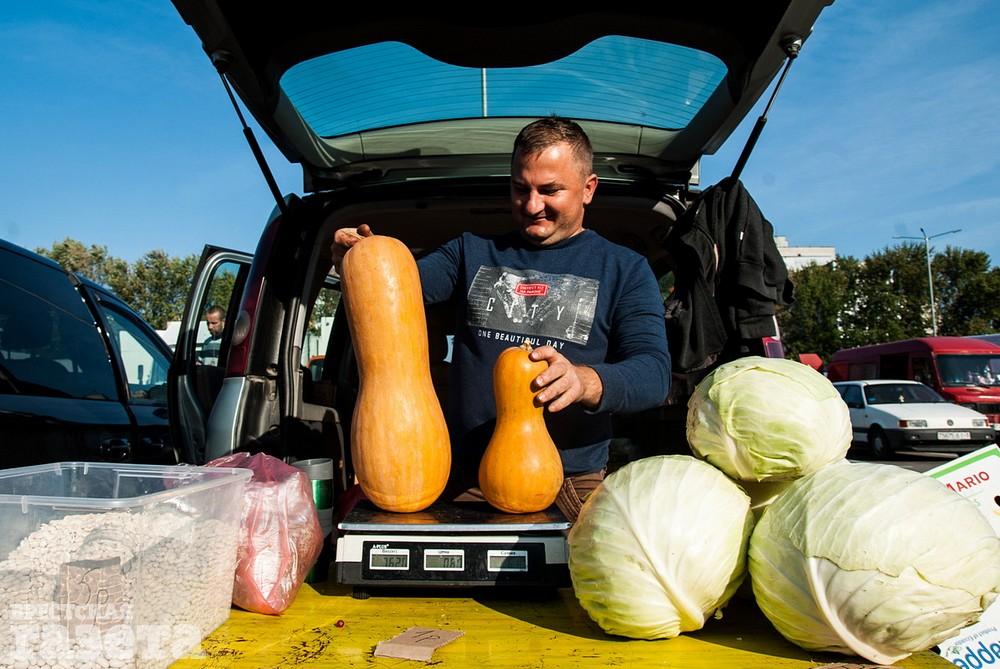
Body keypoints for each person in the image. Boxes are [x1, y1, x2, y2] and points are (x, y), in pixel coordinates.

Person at [332, 118, 669, 520]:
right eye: (520, 188)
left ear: (588, 188)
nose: (532, 205)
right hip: (461, 477)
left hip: (570, 480)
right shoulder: (468, 252)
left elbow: (654, 372)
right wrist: (357, 262)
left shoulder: (625, 269)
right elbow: (389, 290)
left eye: (550, 190)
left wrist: (584, 381)